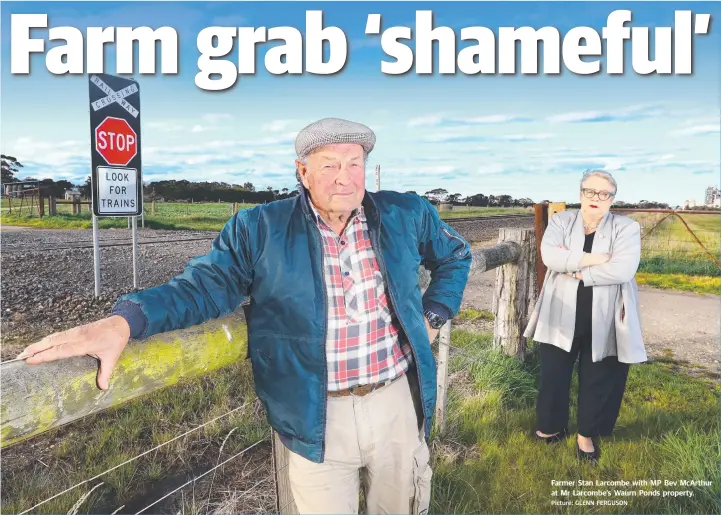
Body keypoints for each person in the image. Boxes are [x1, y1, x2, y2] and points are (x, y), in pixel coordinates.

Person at [16, 117, 473, 513]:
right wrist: (125, 321)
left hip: (396, 399)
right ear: (303, 172)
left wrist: (433, 314)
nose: (345, 177)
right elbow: (203, 287)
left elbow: (455, 255)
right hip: (315, 411)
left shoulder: (404, 212)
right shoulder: (259, 228)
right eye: (330, 165)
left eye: (354, 164)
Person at [523, 169, 647, 463]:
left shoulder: (626, 228)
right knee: (554, 372)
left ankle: (586, 434)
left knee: (599, 375)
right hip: (560, 308)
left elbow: (623, 269)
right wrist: (596, 259)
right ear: (581, 194)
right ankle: (550, 428)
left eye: (604, 194)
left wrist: (575, 268)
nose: (596, 198)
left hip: (606, 312)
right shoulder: (562, 220)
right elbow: (549, 257)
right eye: (590, 192)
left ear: (612, 199)